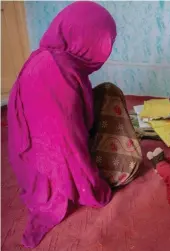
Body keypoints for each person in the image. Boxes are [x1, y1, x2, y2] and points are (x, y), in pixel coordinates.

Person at [7, 2, 125, 248]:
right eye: (104, 41)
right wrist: (94, 187)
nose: (107, 49)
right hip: (45, 167)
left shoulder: (51, 58)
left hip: (29, 156)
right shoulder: (56, 71)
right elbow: (66, 142)